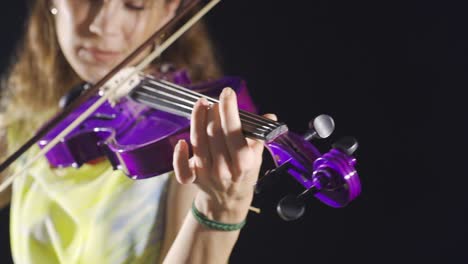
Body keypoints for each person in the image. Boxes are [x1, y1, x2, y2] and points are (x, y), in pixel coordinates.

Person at [0, 0, 275, 263]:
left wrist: (220, 210)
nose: (102, 25)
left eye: (135, 4)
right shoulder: (29, 121)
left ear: (170, 8)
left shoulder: (184, 143)